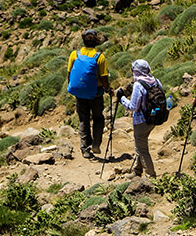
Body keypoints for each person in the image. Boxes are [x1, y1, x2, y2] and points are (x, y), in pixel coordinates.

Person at [67, 29, 111, 159]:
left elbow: (69, 73)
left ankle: (85, 149)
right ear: (96, 41)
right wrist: (108, 89)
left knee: (83, 120)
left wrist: (75, 87)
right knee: (98, 118)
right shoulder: (99, 57)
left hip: (80, 94)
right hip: (96, 94)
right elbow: (104, 77)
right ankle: (96, 144)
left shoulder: (75, 54)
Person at [116, 60, 161, 178]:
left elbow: (133, 107)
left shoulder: (138, 85)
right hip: (153, 118)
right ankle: (137, 171)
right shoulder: (156, 81)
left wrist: (122, 98)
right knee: (139, 145)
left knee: (142, 149)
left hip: (141, 121)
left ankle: (151, 176)